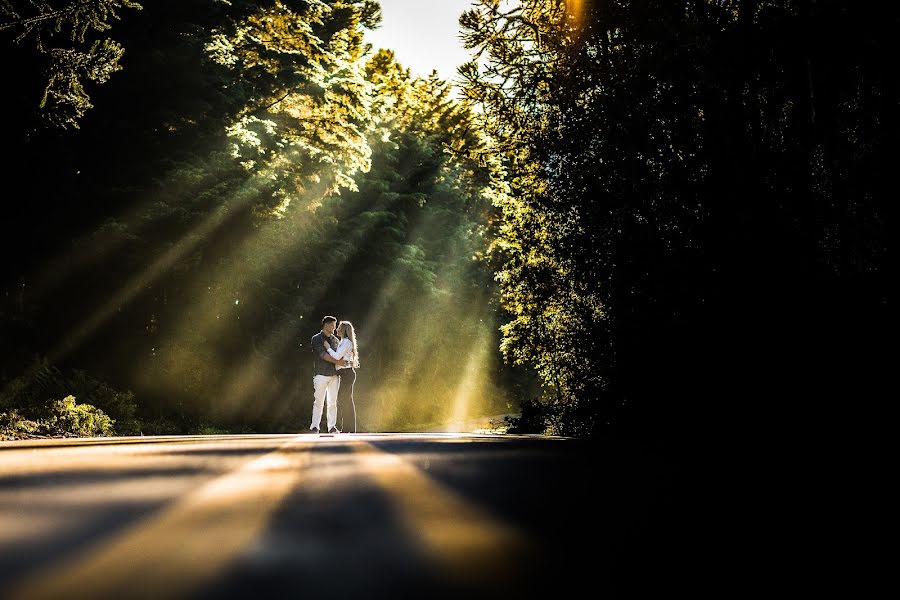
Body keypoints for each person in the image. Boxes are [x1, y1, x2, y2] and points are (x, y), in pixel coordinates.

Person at [309, 315, 349, 433]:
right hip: (320, 374)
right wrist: (339, 362)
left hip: (334, 375)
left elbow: (339, 355)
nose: (334, 328)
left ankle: (332, 427)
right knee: (318, 401)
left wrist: (345, 360)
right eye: (332, 325)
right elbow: (323, 355)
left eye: (335, 325)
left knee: (332, 402)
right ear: (326, 325)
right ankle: (315, 427)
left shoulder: (335, 340)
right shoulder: (316, 339)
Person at [323, 320, 360, 433]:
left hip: (347, 373)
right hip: (344, 373)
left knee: (345, 400)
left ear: (343, 330)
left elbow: (338, 356)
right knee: (346, 400)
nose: (337, 329)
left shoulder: (347, 342)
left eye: (339, 327)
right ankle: (349, 428)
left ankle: (349, 428)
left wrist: (328, 347)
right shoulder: (343, 341)